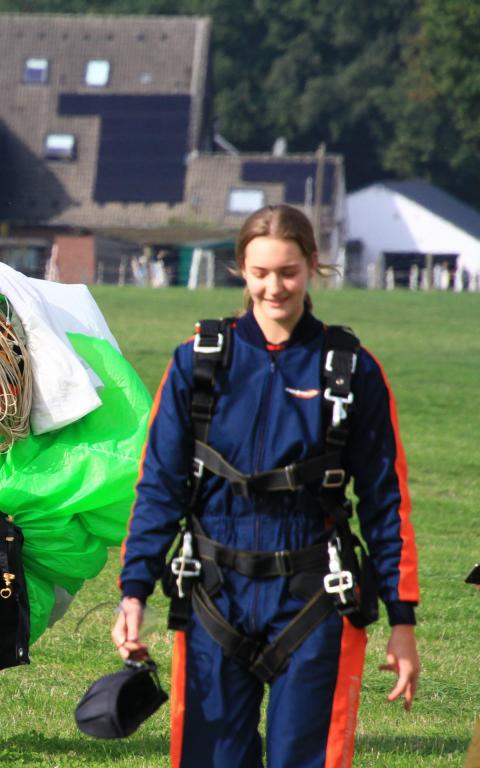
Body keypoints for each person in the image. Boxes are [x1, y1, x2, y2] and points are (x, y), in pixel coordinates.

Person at [112, 204, 420, 767]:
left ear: (313, 265)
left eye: (288, 272)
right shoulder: (198, 363)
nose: (273, 287)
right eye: (260, 273)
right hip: (213, 594)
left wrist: (403, 622)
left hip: (315, 597)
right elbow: (159, 486)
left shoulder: (350, 370)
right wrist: (134, 591)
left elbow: (386, 501)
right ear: (240, 269)